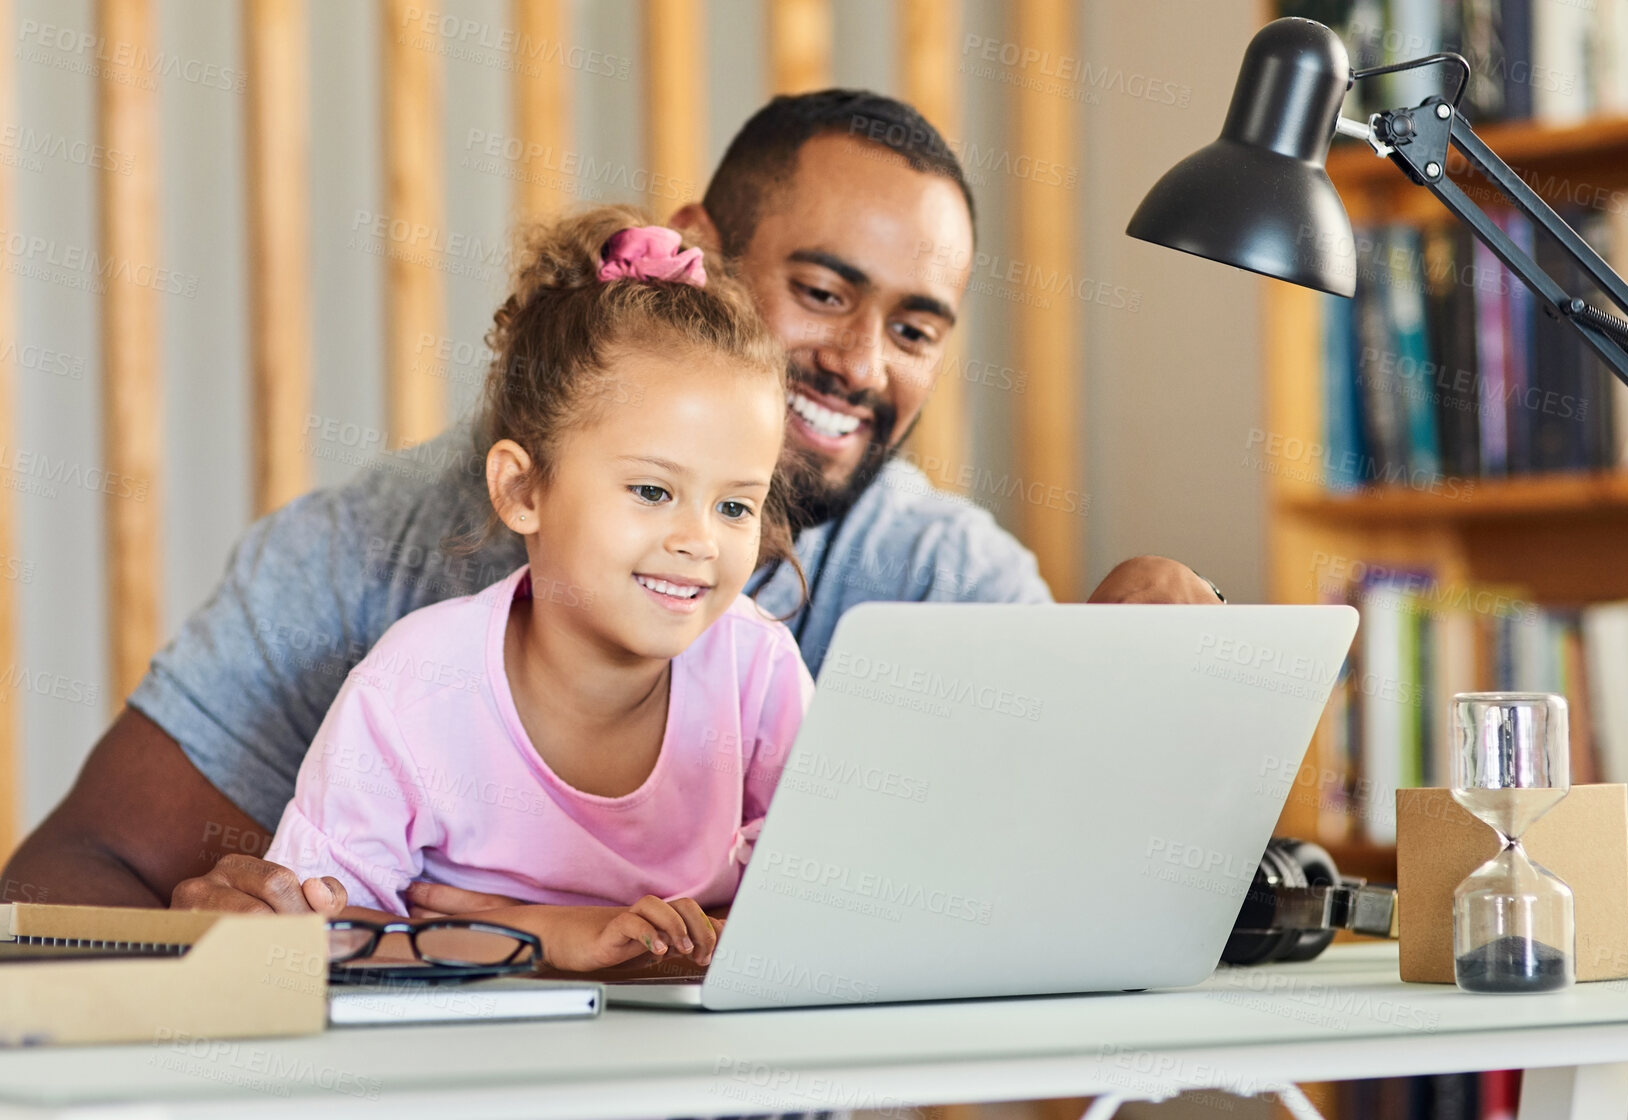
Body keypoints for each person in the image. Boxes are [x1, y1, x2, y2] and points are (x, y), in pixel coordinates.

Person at [2, 89, 1218, 913]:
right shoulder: (363, 569)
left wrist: (1122, 685)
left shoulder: (947, 585)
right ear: (693, 248)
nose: (861, 361)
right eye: (821, 289)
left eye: (913, 326)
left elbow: (1050, 895)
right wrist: (218, 935)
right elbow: (66, 874)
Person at [265, 209, 803, 969]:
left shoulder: (759, 672)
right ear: (522, 490)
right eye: (652, 491)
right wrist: (546, 937)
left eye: (735, 506)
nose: (699, 541)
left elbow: (824, 918)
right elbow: (311, 937)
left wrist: (548, 929)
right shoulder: (416, 685)